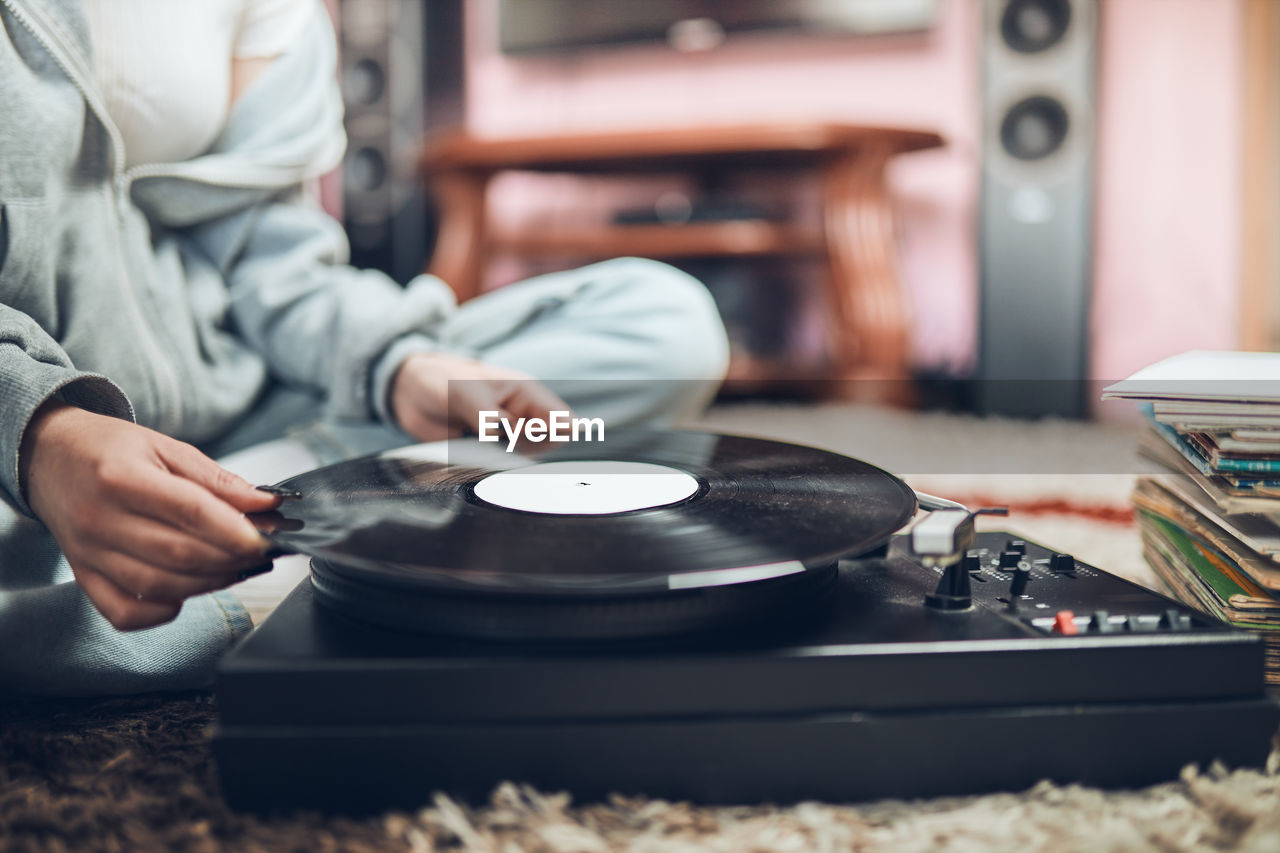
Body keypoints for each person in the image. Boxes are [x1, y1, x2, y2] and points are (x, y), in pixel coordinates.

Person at [0, 0, 729, 695]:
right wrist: (43, 436)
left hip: (256, 407)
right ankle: (334, 544)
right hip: (27, 469)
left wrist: (399, 364)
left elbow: (272, 260)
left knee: (664, 324)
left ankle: (240, 551)